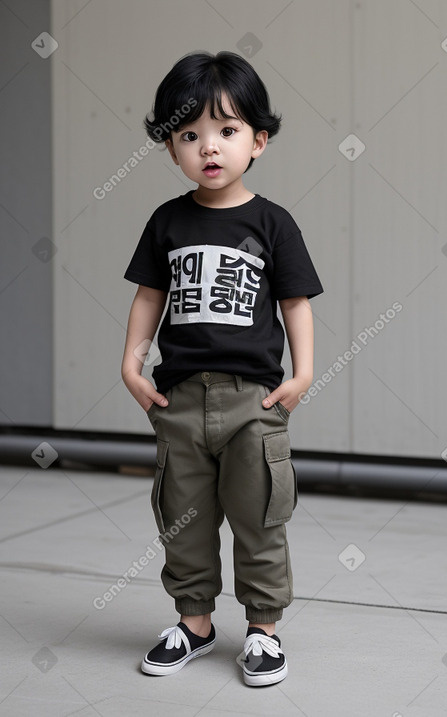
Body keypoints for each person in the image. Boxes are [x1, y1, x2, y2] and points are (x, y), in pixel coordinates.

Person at [121, 50, 323, 687]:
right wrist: (133, 363)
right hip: (179, 400)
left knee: (260, 515)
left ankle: (262, 630)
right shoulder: (168, 221)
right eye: (189, 135)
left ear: (258, 140)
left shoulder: (272, 223)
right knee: (182, 517)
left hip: (253, 402)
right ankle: (195, 622)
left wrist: (302, 374)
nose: (209, 147)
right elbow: (150, 296)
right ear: (172, 147)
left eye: (227, 130)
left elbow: (294, 301)